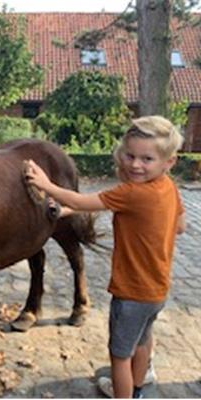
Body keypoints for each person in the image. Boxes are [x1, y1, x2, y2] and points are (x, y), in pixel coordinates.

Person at [24, 115, 186, 398]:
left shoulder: (132, 193)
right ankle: (137, 389)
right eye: (130, 156)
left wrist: (45, 183)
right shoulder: (167, 187)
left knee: (119, 357)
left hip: (131, 293)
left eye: (146, 159)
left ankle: (124, 394)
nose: (136, 164)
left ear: (168, 162)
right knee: (142, 341)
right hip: (156, 291)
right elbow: (181, 226)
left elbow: (80, 200)